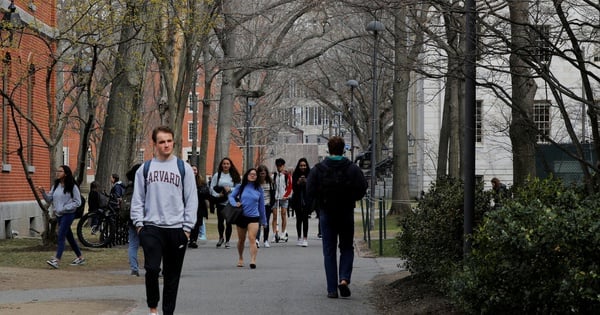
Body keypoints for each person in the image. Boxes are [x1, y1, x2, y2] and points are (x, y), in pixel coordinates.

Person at [130, 125, 198, 315]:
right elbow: (138, 199)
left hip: (177, 229)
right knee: (151, 269)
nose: (166, 145)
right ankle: (153, 309)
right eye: (162, 142)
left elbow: (191, 199)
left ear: (173, 142)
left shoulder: (182, 168)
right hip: (151, 228)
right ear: (155, 144)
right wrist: (139, 226)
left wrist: (187, 228)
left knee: (172, 276)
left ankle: (168, 312)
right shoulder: (145, 169)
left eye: (169, 141)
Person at [306, 136, 367, 299]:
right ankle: (344, 279)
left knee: (329, 251)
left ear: (328, 149)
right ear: (343, 149)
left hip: (327, 212)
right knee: (347, 247)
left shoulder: (319, 169)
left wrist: (318, 201)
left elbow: (309, 189)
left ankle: (332, 289)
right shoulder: (352, 168)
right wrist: (351, 198)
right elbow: (362, 188)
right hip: (346, 212)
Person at [38, 165, 85, 269]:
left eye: (60, 171)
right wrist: (43, 193)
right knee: (69, 237)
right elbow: (49, 199)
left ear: (66, 173)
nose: (57, 173)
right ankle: (80, 257)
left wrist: (65, 208)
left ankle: (57, 260)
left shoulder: (72, 186)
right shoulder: (56, 185)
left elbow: (78, 202)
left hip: (68, 214)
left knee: (61, 234)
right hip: (59, 214)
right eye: (57, 170)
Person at [229, 168, 267, 269]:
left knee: (252, 238)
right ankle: (241, 258)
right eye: (251, 174)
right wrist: (235, 203)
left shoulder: (259, 189)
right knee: (241, 239)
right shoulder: (240, 187)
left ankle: (253, 260)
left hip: (254, 217)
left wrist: (264, 220)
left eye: (255, 174)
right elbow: (231, 197)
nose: (253, 176)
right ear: (246, 175)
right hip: (241, 216)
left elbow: (262, 206)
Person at [210, 157, 241, 249]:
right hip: (220, 202)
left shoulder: (234, 175)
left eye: (227, 164)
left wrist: (230, 189)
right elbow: (211, 188)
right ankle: (221, 238)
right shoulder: (217, 175)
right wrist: (217, 195)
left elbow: (239, 188)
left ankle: (227, 241)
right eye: (224, 164)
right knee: (220, 221)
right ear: (221, 165)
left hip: (230, 202)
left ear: (230, 165)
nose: (226, 165)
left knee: (229, 222)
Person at [124, 164, 142, 276]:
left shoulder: (129, 187)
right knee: (151, 245)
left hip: (131, 219)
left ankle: (134, 268)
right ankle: (154, 268)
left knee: (133, 244)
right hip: (145, 219)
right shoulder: (144, 185)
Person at [291, 158, 311, 247]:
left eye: (304, 165)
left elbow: (312, 187)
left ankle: (305, 238)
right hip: (297, 199)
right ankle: (299, 237)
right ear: (298, 166)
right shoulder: (295, 174)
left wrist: (306, 182)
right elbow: (294, 188)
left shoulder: (310, 174)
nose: (303, 167)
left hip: (306, 199)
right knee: (299, 219)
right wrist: (299, 182)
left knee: (305, 219)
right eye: (301, 165)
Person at [272, 158, 292, 242]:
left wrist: (286, 195)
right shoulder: (274, 176)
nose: (279, 168)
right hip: (276, 198)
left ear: (283, 166)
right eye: (278, 166)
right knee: (275, 215)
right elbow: (272, 187)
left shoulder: (287, 176)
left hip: (284, 197)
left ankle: (283, 232)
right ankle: (274, 234)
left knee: (283, 214)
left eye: (280, 166)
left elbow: (290, 187)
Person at [189, 165, 210, 248]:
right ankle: (189, 239)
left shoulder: (201, 182)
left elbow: (206, 193)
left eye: (195, 170)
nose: (194, 171)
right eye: (192, 170)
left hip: (199, 206)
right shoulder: (185, 180)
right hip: (188, 205)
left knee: (197, 224)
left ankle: (193, 240)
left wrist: (199, 191)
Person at [256, 165, 275, 248]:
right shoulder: (256, 183)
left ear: (266, 173)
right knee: (258, 222)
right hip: (257, 205)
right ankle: (257, 239)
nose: (262, 175)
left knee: (266, 222)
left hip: (267, 205)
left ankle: (266, 240)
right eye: (261, 173)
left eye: (264, 173)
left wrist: (271, 205)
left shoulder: (270, 182)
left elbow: (273, 194)